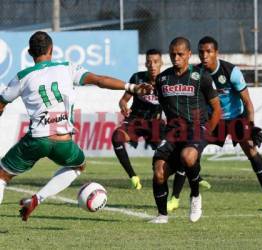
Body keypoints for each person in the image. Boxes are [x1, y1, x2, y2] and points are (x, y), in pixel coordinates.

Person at [0, 31, 151, 221]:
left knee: (2, 176)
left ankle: (33, 196)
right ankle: (38, 198)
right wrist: (131, 88)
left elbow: (2, 102)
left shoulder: (22, 77)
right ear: (52, 50)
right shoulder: (66, 67)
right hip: (63, 141)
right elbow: (99, 80)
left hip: (37, 139)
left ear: (30, 52)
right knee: (78, 165)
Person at [168, 36, 262, 213]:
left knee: (251, 150)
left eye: (209, 52)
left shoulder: (230, 71)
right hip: (212, 120)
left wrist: (250, 127)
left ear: (216, 53)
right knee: (189, 153)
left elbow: (248, 103)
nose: (204, 55)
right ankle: (174, 198)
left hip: (235, 118)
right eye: (201, 52)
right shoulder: (195, 73)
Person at [149, 37, 221, 223]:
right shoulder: (163, 79)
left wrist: (207, 133)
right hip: (173, 132)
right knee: (159, 172)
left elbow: (217, 109)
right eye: (173, 54)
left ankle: (195, 196)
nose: (176, 58)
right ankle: (162, 215)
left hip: (197, 128)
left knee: (188, 156)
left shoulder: (201, 77)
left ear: (189, 54)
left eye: (180, 54)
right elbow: (160, 107)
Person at [111, 49, 163, 190]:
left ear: (161, 63)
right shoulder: (137, 78)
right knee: (116, 137)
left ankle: (191, 176)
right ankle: (133, 176)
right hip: (135, 121)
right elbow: (123, 100)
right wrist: (124, 107)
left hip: (156, 124)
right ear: (145, 63)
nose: (152, 65)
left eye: (156, 62)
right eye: (149, 62)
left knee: (174, 147)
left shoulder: (166, 81)